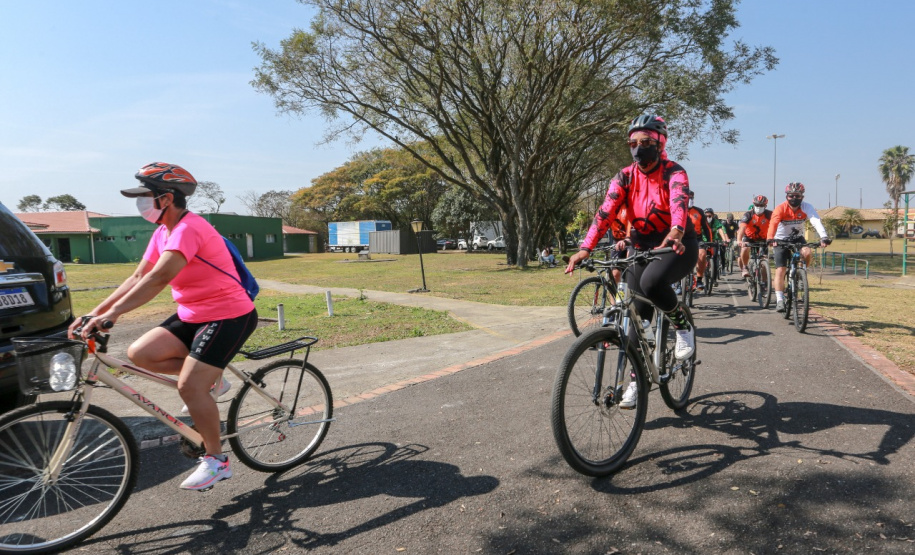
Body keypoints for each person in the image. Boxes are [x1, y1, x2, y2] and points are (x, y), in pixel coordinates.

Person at [70, 162, 259, 491]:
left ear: (167, 199)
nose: (141, 202)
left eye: (146, 195)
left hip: (229, 314)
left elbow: (160, 277)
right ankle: (212, 379)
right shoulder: (163, 232)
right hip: (192, 314)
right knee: (140, 353)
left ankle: (217, 461)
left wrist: (113, 315)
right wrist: (94, 313)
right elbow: (139, 276)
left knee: (189, 387)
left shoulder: (190, 229)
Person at [565, 114, 698, 409]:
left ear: (660, 143)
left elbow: (679, 201)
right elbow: (605, 212)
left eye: (646, 142)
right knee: (635, 321)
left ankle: (682, 326)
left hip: (677, 244)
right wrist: (585, 248)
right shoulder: (624, 176)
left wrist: (676, 229)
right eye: (633, 143)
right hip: (641, 245)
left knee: (651, 284)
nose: (639, 148)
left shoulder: (674, 171)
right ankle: (638, 383)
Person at [766, 182, 830, 312]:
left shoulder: (807, 207)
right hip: (780, 240)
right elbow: (773, 223)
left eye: (797, 195)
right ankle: (779, 299)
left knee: (807, 252)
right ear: (787, 196)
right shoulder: (780, 208)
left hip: (798, 239)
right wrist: (770, 238)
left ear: (802, 196)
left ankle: (801, 275)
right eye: (791, 196)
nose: (794, 198)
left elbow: (815, 220)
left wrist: (823, 236)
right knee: (781, 269)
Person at [737, 195, 772, 279]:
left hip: (763, 239)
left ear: (765, 206)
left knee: (764, 260)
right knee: (745, 248)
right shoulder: (748, 214)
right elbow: (742, 228)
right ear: (753, 205)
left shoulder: (769, 214)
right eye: (757, 205)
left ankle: (764, 282)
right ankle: (745, 267)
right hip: (749, 238)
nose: (758, 207)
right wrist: (739, 240)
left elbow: (776, 226)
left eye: (761, 206)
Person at [685, 190, 712, 291]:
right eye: (687, 198)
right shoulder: (677, 210)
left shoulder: (699, 211)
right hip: (681, 238)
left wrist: (709, 243)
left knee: (702, 254)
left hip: (696, 238)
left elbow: (706, 228)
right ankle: (678, 283)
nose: (689, 200)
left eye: (691, 198)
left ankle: (699, 280)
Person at [703, 208, 730, 275]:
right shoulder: (702, 222)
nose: (708, 218)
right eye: (706, 216)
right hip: (703, 241)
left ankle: (714, 279)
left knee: (715, 257)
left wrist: (724, 240)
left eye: (710, 216)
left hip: (713, 241)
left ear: (712, 215)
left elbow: (721, 230)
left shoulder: (715, 222)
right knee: (701, 256)